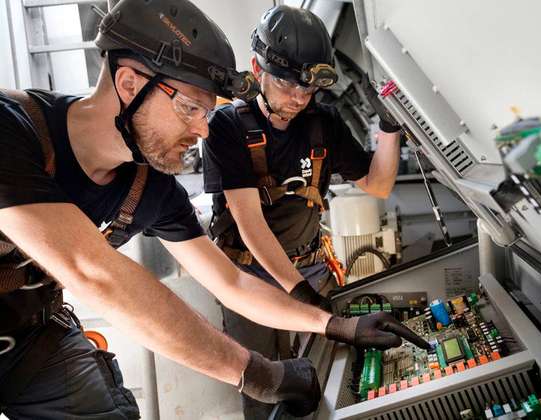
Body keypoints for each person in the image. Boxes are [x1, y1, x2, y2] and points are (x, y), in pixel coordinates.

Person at [0, 1, 424, 418]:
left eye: (208, 112)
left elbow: (232, 284)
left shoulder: (151, 189)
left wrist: (336, 326)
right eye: (190, 108)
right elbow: (92, 271)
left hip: (31, 334)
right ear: (129, 84)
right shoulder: (11, 130)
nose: (204, 128)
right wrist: (259, 374)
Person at [203, 5, 427, 418]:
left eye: (307, 90)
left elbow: (377, 184)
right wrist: (299, 295)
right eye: (287, 85)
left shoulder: (321, 124)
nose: (298, 99)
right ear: (256, 67)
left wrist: (389, 129)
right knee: (266, 390)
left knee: (323, 374)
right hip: (251, 278)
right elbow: (249, 222)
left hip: (311, 272)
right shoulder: (226, 127)